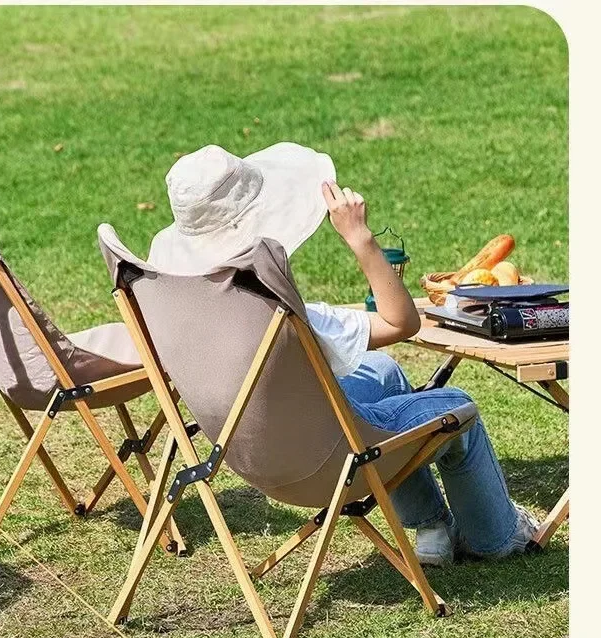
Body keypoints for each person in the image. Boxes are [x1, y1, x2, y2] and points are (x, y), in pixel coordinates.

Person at [148, 142, 539, 566]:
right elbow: (401, 322)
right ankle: (495, 538)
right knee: (458, 409)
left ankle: (432, 529)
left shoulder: (173, 306)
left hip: (250, 458)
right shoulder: (285, 316)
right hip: (331, 464)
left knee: (384, 372)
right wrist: (360, 237)